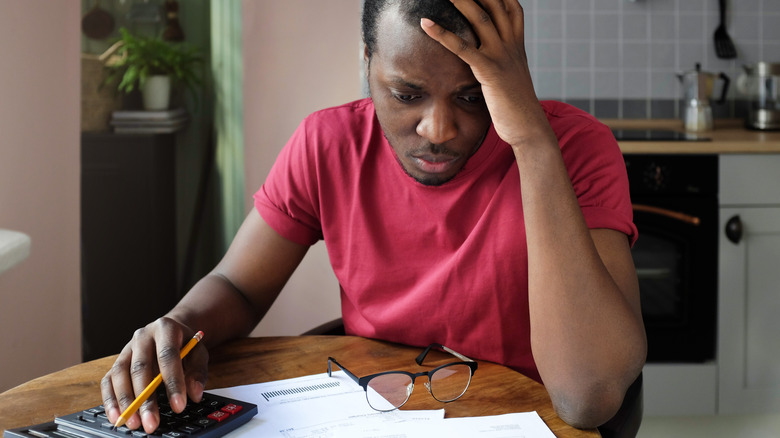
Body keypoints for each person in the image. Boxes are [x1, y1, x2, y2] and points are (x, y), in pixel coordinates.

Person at [101, 0, 647, 432]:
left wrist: (530, 139)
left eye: (472, 95)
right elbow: (238, 287)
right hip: (380, 415)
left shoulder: (573, 149)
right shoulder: (328, 143)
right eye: (406, 94)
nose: (438, 129)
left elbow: (588, 396)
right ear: (366, 63)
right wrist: (179, 323)